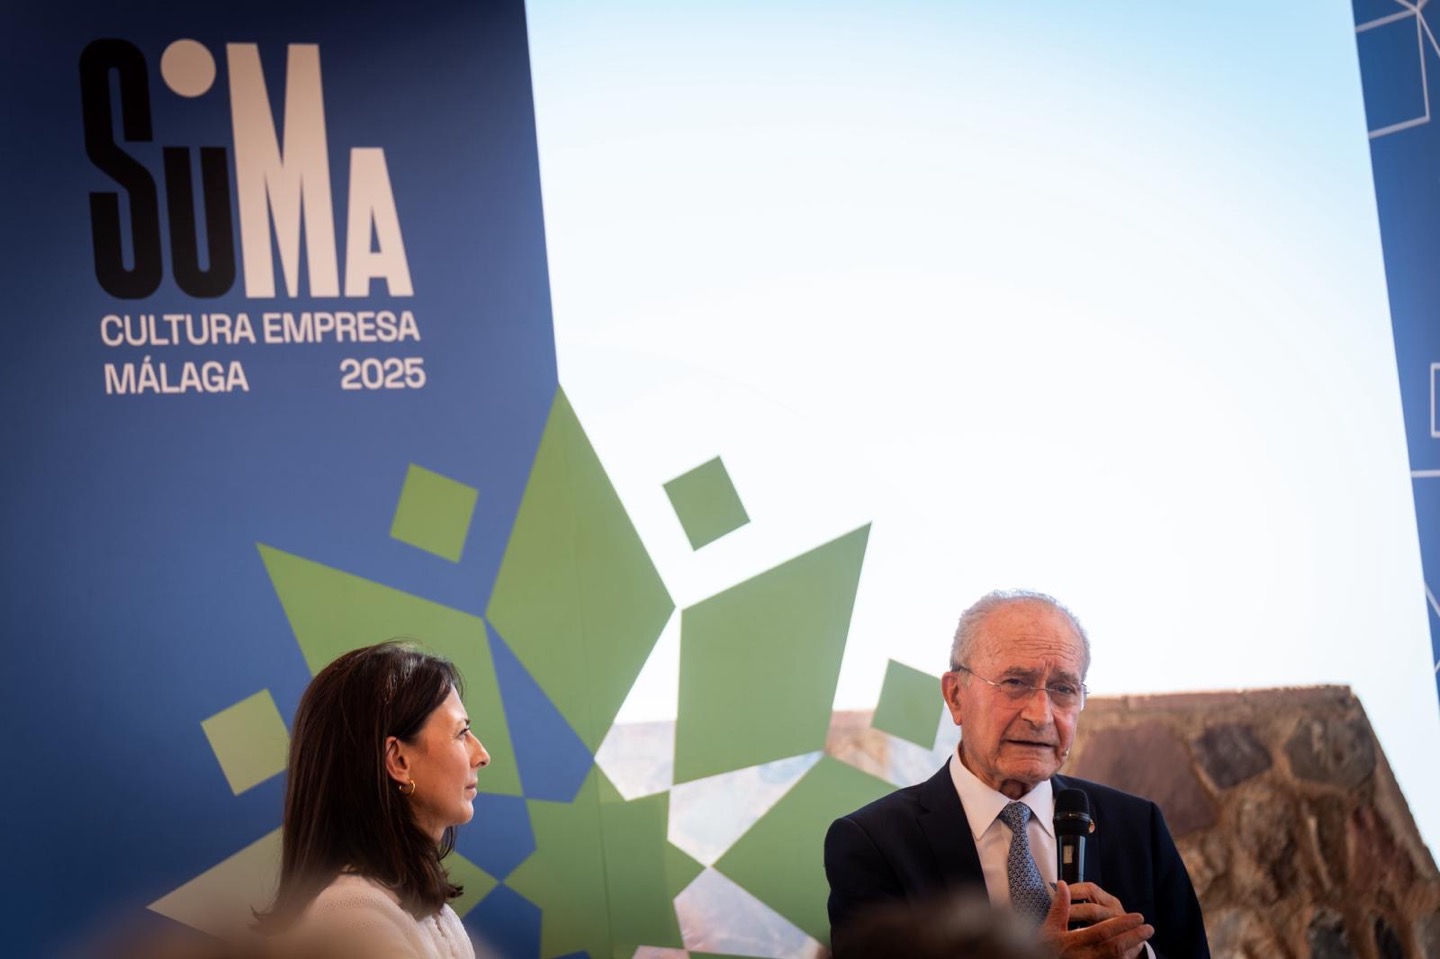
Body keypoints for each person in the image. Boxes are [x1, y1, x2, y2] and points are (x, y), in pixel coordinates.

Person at [824, 590, 1209, 959]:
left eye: (1063, 688)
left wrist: (1137, 954)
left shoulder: (1137, 826)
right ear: (956, 696)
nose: (1041, 715)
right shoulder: (874, 842)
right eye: (1015, 683)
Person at [259, 641, 491, 959]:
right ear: (398, 760)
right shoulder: (352, 918)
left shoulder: (428, 913)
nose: (482, 755)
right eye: (461, 733)